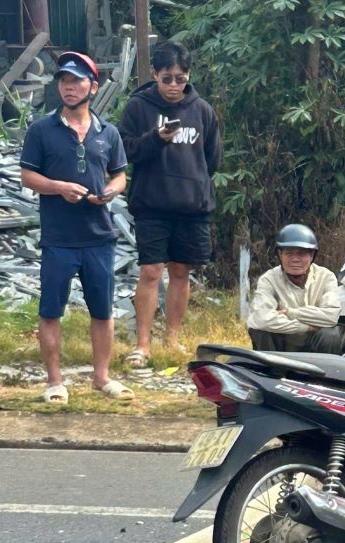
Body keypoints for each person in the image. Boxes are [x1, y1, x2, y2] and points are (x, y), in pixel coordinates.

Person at [19, 51, 133, 404]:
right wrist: (59, 187)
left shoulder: (108, 133)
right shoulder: (41, 130)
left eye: (76, 81)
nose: (68, 87)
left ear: (93, 87)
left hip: (99, 236)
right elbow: (27, 176)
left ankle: (102, 377)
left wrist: (111, 191)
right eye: (64, 81)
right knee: (51, 310)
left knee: (103, 310)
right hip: (58, 238)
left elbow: (120, 175)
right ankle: (54, 381)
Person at [118, 42, 222, 368]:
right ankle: (142, 344)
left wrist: (195, 186)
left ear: (189, 75)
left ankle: (172, 338)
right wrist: (156, 138)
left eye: (180, 78)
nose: (174, 85)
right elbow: (123, 151)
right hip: (151, 204)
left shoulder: (202, 110)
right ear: (154, 74)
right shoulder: (138, 107)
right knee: (150, 271)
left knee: (181, 272)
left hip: (191, 206)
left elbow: (212, 160)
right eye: (167, 79)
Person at [246, 224, 344, 354]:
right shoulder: (269, 279)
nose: (295, 259)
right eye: (289, 253)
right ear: (280, 255)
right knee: (260, 331)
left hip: (315, 346)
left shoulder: (326, 277)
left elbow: (331, 316)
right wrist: (304, 327)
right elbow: (260, 319)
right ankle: (271, 367)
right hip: (283, 344)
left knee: (331, 335)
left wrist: (291, 313)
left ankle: (325, 368)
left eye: (301, 254)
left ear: (312, 255)